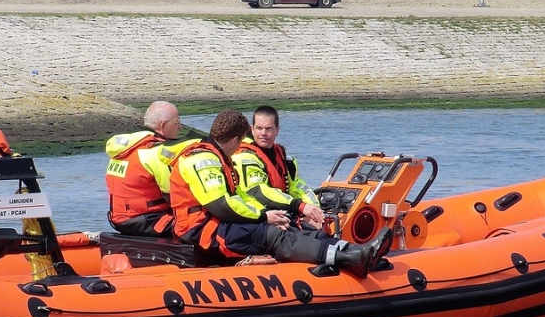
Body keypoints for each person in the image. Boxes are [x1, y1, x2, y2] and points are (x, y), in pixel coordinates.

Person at [170, 110, 390, 277]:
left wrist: (272, 215)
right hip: (200, 229)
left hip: (219, 222)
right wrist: (264, 217)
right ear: (236, 139)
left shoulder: (222, 156)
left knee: (290, 227)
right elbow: (221, 205)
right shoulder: (202, 160)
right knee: (273, 235)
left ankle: (355, 251)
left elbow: (240, 198)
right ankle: (347, 258)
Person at [105, 100, 197, 237]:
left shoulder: (124, 149)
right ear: (163, 125)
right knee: (200, 225)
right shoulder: (157, 153)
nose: (180, 128)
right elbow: (174, 195)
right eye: (177, 123)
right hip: (147, 220)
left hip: (119, 218)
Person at [234, 105, 324, 230]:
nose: (263, 133)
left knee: (322, 226)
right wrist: (300, 206)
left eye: (268, 129)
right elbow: (259, 191)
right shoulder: (245, 157)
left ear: (277, 130)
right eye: (259, 128)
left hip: (284, 210)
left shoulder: (281, 154)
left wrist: (314, 208)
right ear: (252, 129)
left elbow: (296, 185)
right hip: (260, 217)